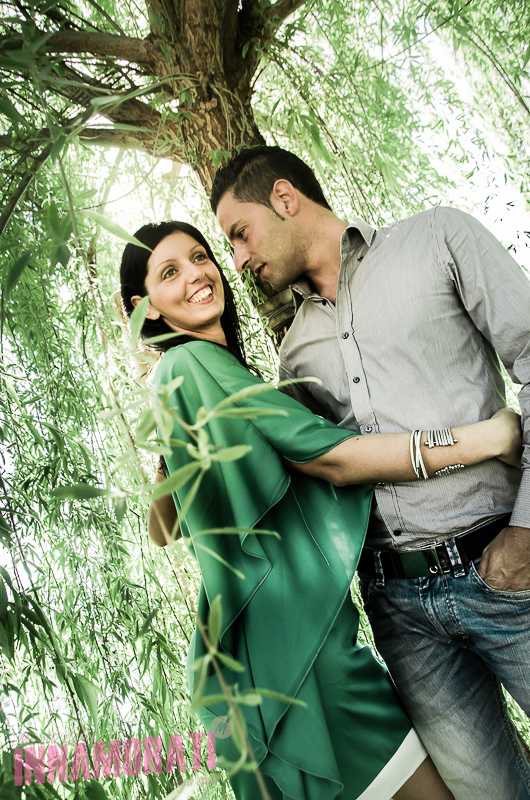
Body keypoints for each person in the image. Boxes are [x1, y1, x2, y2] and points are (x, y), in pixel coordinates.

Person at [120, 220, 521, 800]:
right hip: (307, 666)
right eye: (169, 273)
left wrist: (173, 436)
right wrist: (486, 439)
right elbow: (332, 457)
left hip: (268, 666)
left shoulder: (191, 380)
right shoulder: (188, 369)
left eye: (200, 257)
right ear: (143, 308)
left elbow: (163, 525)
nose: (199, 274)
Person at [210, 145, 530, 800]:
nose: (237, 260)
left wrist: (527, 535)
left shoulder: (437, 239)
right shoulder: (294, 355)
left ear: (283, 197)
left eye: (238, 234)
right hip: (403, 618)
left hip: (510, 571)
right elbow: (305, 484)